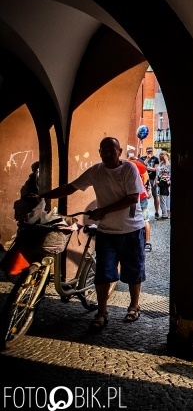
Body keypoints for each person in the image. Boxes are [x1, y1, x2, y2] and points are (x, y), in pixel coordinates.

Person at [36, 137, 146, 331]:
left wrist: (103, 211)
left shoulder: (129, 169)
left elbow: (133, 198)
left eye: (111, 150)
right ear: (99, 152)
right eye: (103, 150)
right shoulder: (96, 171)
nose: (107, 154)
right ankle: (102, 312)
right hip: (107, 232)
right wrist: (43, 196)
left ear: (119, 151)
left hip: (131, 229)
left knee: (133, 271)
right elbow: (71, 187)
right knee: (103, 274)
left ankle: (134, 305)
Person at [127, 152, 153, 252]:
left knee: (131, 218)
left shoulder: (125, 165)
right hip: (141, 195)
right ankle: (148, 241)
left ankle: (132, 241)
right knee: (145, 219)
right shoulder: (140, 166)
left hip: (129, 197)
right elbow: (146, 179)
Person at [140, 147, 160, 219]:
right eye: (148, 151)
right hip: (144, 179)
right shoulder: (142, 158)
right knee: (144, 196)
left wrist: (148, 168)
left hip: (152, 178)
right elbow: (141, 166)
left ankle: (157, 211)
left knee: (155, 195)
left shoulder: (156, 159)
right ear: (146, 151)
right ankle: (144, 212)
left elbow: (156, 169)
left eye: (151, 151)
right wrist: (147, 159)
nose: (149, 153)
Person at [156, 151, 172, 219]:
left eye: (164, 156)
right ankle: (165, 213)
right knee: (163, 198)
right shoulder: (160, 164)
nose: (162, 157)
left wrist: (166, 160)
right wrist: (156, 180)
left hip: (167, 183)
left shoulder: (169, 165)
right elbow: (158, 173)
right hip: (161, 183)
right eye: (161, 156)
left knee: (166, 199)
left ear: (167, 156)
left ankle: (166, 214)